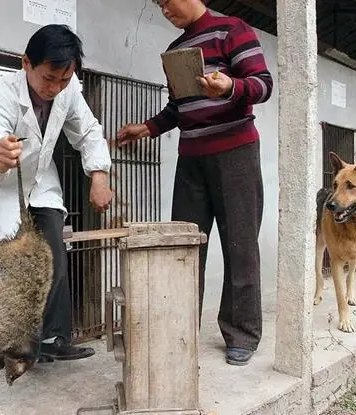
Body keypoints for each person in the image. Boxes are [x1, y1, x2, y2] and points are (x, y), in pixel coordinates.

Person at [116, 0, 273, 366]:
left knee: (240, 244)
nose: (164, 12)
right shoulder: (176, 51)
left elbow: (263, 85)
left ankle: (242, 334)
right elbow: (179, 107)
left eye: (166, 3)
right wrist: (148, 128)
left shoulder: (233, 30)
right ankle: (180, 326)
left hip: (235, 151)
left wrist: (230, 86)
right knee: (183, 245)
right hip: (191, 158)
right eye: (158, 6)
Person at [0, 24, 113, 362]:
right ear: (26, 64)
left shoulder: (68, 88)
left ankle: (54, 339)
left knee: (55, 259)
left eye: (64, 80)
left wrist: (99, 176)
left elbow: (88, 131)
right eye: (49, 77)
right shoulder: (0, 95)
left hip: (42, 183)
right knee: (14, 269)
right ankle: (14, 348)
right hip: (5, 188)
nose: (55, 87)